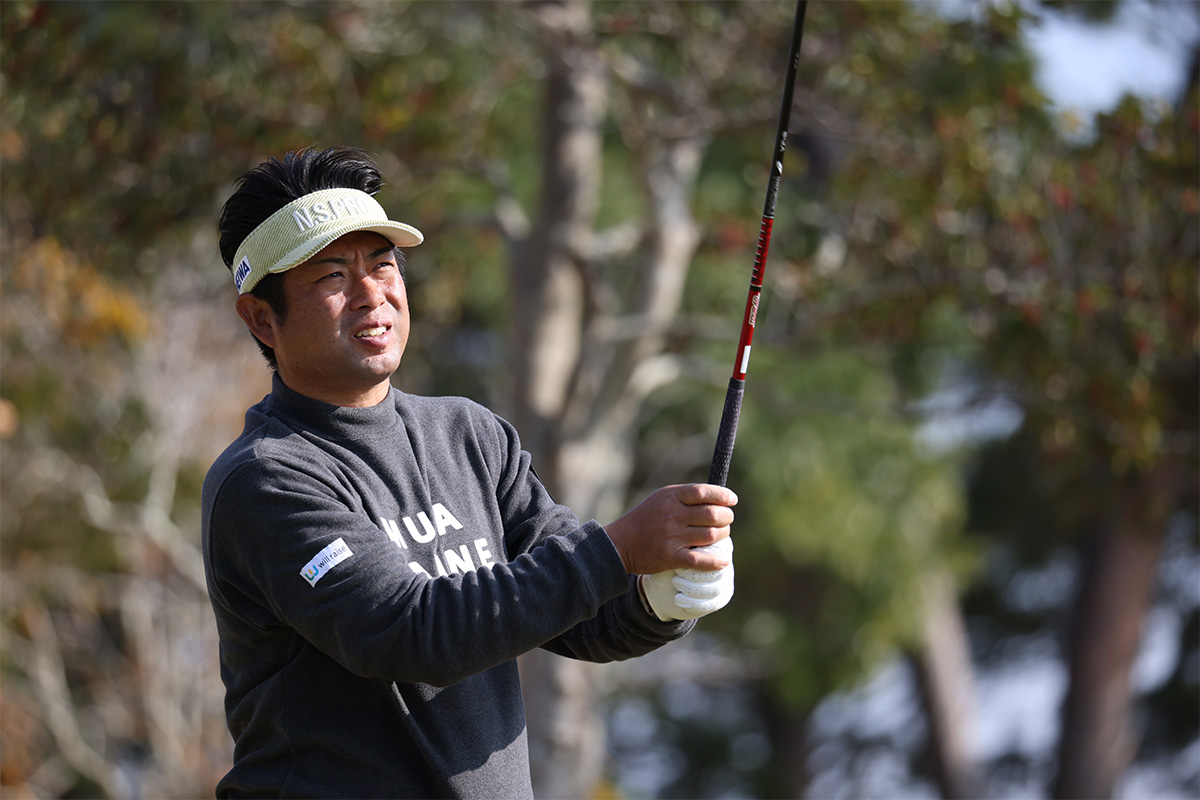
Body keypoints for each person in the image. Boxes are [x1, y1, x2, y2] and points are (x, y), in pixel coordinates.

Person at [201, 146, 736, 799]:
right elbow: (413, 633)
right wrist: (619, 547)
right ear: (262, 317)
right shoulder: (267, 479)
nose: (373, 293)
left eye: (384, 264)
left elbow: (580, 611)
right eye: (333, 276)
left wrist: (664, 590)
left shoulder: (468, 435)